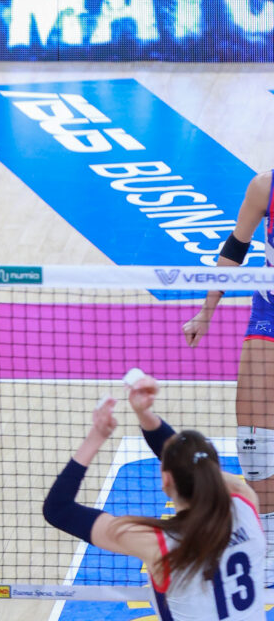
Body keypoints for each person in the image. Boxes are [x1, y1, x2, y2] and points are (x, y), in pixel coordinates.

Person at [44, 372, 265, 620]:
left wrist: (97, 436)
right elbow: (196, 468)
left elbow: (58, 509)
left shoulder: (160, 544)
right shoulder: (245, 502)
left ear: (166, 480)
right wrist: (144, 414)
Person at [184, 171, 274, 586]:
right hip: (270, 313)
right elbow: (236, 247)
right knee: (255, 443)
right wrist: (206, 312)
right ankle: (268, 547)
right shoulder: (265, 187)